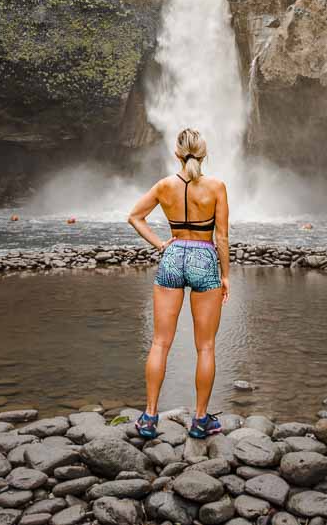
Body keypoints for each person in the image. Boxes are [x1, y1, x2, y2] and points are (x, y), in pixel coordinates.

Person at [127, 128, 231, 441]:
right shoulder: (216, 187)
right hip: (204, 257)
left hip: (173, 257)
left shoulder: (164, 186)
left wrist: (161, 245)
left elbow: (134, 217)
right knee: (206, 346)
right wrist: (225, 275)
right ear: (204, 153)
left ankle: (148, 417)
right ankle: (200, 420)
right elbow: (222, 237)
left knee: (160, 342)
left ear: (177, 153)